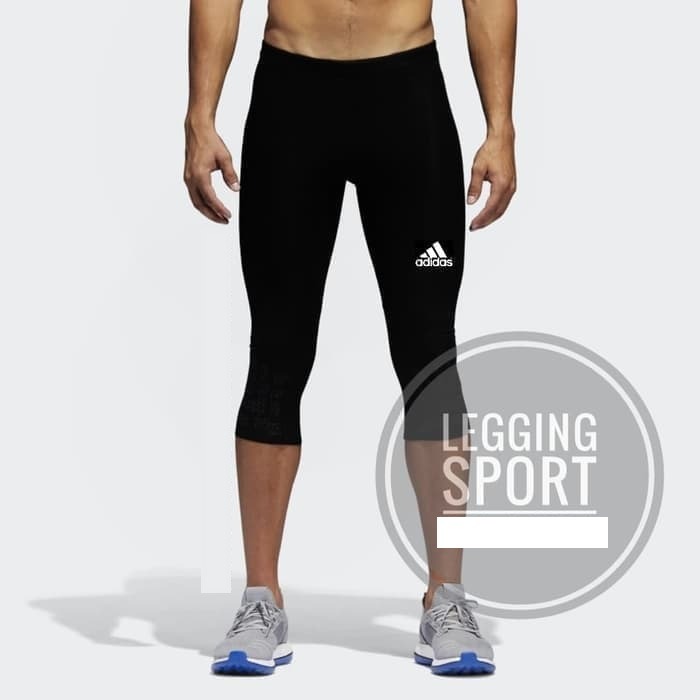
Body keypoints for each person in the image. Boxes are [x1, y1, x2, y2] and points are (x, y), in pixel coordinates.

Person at [184, 0, 516, 677]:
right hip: (291, 96)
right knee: (277, 352)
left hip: (408, 98)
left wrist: (501, 124)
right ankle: (260, 598)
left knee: (428, 355)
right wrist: (200, 115)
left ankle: (446, 598)